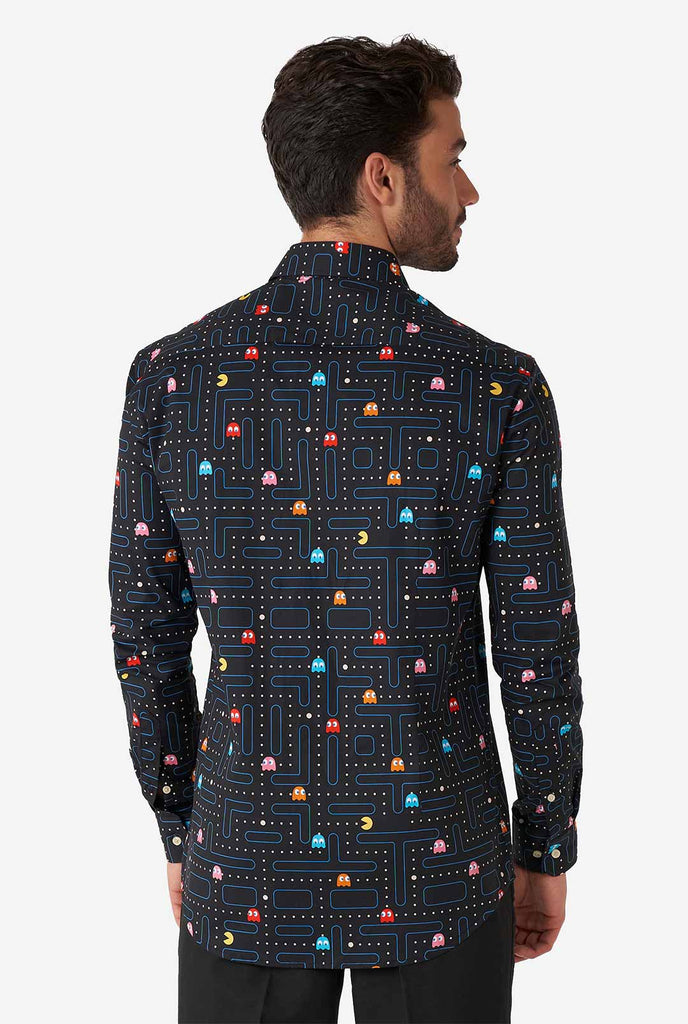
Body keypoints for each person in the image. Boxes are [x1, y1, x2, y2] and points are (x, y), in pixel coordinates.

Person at [108, 33, 583, 1024]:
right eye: (452, 158)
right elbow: (536, 645)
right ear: (382, 178)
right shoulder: (495, 386)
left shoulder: (172, 378)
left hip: (246, 858)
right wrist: (545, 843)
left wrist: (180, 827)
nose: (469, 190)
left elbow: (145, 635)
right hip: (443, 867)